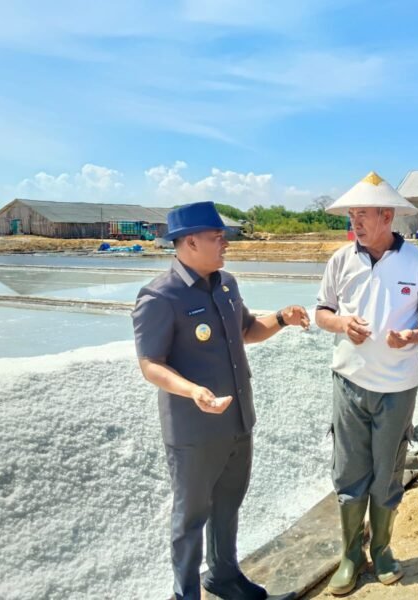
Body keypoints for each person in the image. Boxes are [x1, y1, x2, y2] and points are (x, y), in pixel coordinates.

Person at [132, 201, 307, 600]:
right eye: (217, 237)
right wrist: (192, 390)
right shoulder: (160, 296)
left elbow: (246, 330)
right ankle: (186, 593)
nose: (225, 243)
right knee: (190, 518)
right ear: (189, 242)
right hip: (195, 431)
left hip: (237, 422)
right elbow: (150, 365)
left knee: (228, 506)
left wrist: (281, 318)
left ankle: (224, 577)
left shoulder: (226, 284)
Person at [315, 172, 418, 595]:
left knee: (388, 470)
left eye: (363, 214)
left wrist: (413, 335)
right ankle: (352, 554)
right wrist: (341, 322)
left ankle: (384, 549)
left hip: (398, 385)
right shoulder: (340, 261)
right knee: (349, 470)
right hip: (350, 381)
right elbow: (322, 314)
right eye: (352, 215)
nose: (356, 222)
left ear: (387, 215)